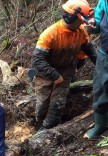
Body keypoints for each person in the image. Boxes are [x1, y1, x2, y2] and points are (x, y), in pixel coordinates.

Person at [32, 0, 97, 131]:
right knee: (42, 106)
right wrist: (55, 76)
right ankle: (38, 125)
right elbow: (37, 60)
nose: (84, 22)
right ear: (73, 17)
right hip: (46, 72)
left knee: (57, 105)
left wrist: (102, 65)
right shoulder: (50, 34)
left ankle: (46, 131)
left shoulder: (81, 32)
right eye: (81, 19)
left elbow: (91, 51)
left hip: (66, 70)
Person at [84, 0, 108, 139]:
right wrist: (93, 24)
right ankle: (100, 125)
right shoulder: (103, 2)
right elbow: (98, 22)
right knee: (99, 88)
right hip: (104, 53)